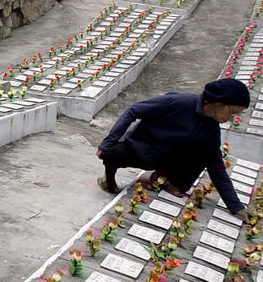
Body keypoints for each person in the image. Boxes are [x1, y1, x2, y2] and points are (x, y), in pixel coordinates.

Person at [96, 78, 251, 220]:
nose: (232, 118)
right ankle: (108, 179)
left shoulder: (212, 129)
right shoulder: (179, 102)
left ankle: (164, 178)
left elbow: (216, 166)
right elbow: (133, 110)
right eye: (232, 112)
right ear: (218, 103)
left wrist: (236, 207)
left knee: (207, 153)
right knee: (113, 154)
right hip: (139, 149)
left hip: (166, 158)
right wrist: (108, 142)